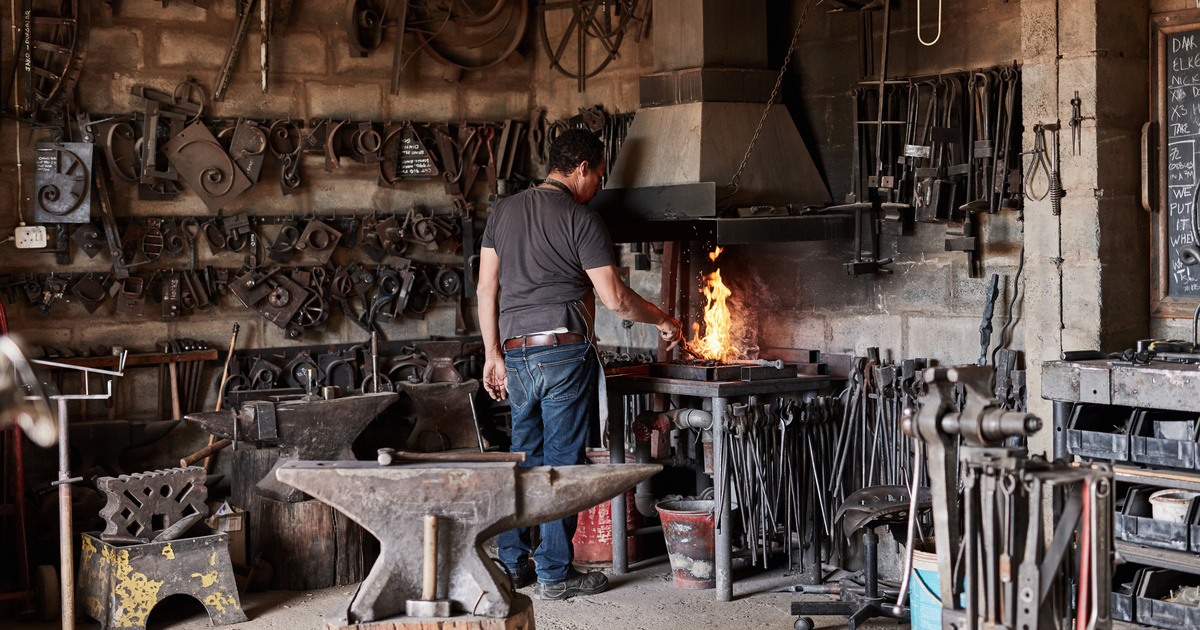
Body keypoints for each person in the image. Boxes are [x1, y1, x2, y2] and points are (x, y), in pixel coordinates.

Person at [476, 128, 682, 600]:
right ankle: (553, 573)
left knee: (523, 459)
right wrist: (663, 320)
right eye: (600, 175)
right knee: (562, 465)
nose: (600, 185)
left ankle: (512, 566)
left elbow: (488, 289)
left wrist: (492, 353)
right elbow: (615, 300)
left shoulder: (502, 212)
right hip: (563, 352)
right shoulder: (581, 220)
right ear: (583, 168)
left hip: (515, 352)